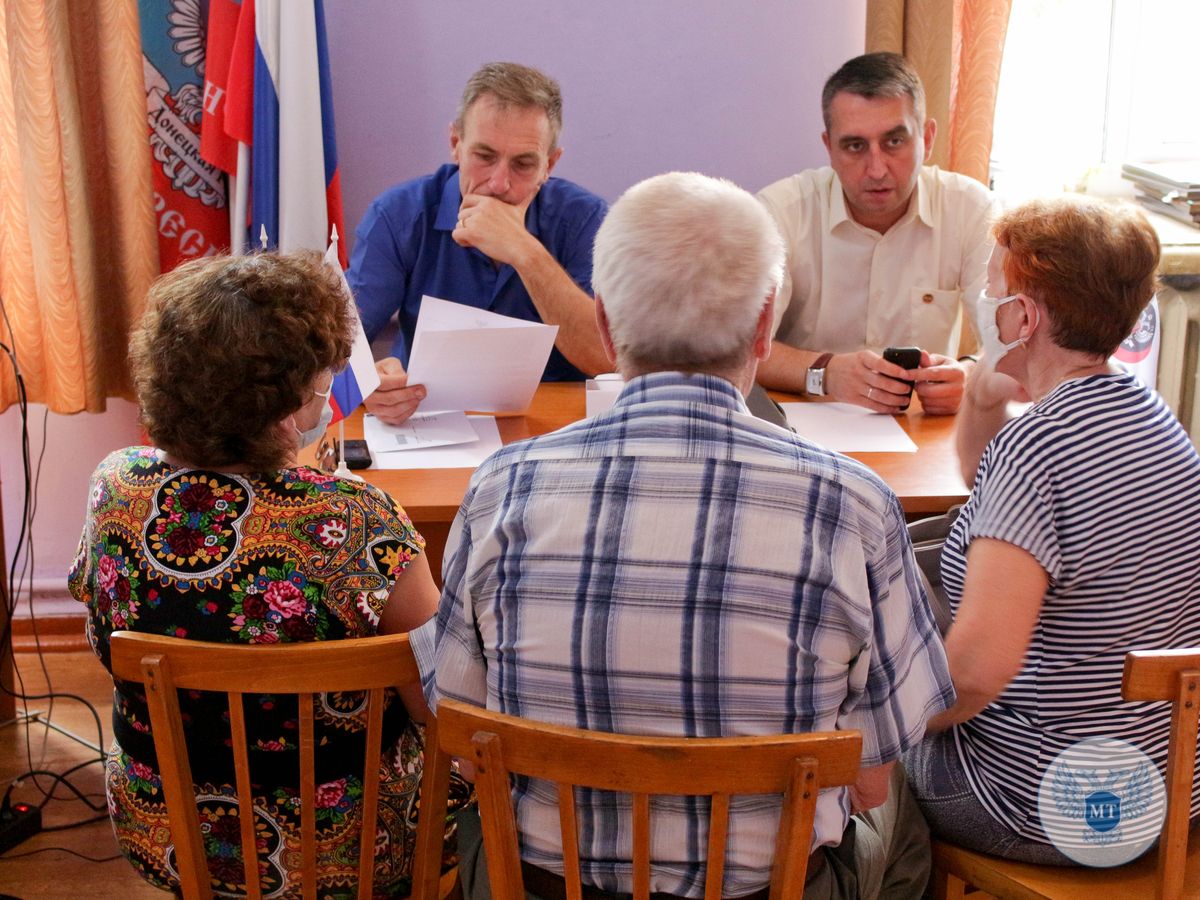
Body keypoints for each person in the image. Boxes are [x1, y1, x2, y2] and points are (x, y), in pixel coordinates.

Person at [414, 172, 955, 899]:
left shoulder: (499, 487)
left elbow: (461, 733)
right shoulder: (854, 504)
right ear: (767, 324)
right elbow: (869, 781)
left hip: (544, 887)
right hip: (774, 889)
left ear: (604, 325)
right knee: (907, 819)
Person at [69, 252, 469, 897]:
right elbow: (440, 700)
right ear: (287, 406)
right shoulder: (359, 520)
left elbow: (99, 635)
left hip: (167, 826)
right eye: (322, 381)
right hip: (348, 844)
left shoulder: (115, 487)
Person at [905, 196, 1200, 863]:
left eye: (991, 290)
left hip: (1046, 805)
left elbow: (976, 673)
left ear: (1025, 317)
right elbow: (998, 504)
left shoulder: (1038, 447)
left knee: (856, 753)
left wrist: (874, 723)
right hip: (1166, 793)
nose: (985, 303)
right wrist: (984, 395)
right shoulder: (1154, 419)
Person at [347, 61, 609, 425]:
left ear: (550, 164)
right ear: (456, 145)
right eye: (484, 157)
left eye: (523, 164)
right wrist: (367, 382)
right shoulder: (399, 216)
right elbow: (335, 349)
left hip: (551, 430)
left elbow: (605, 359)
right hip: (426, 423)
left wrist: (525, 251)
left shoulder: (583, 219)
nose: (499, 183)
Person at [756, 52, 996, 415]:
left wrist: (972, 373)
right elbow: (736, 352)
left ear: (927, 139)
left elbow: (1013, 345)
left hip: (921, 432)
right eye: (855, 146)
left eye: (894, 142)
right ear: (829, 148)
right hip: (802, 428)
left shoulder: (971, 209)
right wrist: (823, 372)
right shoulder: (779, 213)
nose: (877, 169)